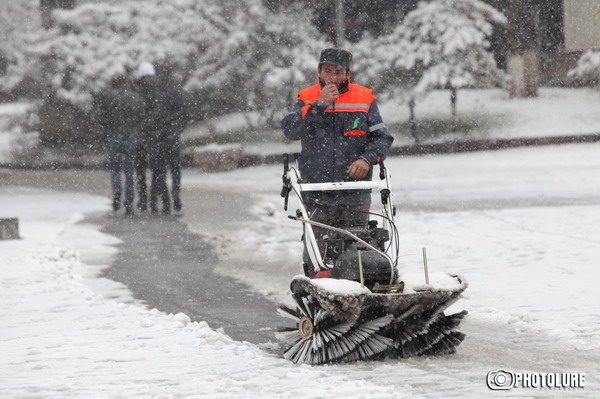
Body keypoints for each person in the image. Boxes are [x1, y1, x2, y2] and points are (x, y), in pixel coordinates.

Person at [281, 48, 394, 277]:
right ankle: (317, 294)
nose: (331, 77)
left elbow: (382, 138)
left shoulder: (364, 99)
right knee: (317, 253)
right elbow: (291, 131)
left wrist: (366, 159)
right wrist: (319, 105)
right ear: (319, 71)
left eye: (337, 71)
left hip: (354, 192)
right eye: (327, 70)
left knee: (358, 251)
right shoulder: (306, 98)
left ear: (347, 74)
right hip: (317, 190)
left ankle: (359, 291)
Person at [96, 74, 146, 216]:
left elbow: (101, 116)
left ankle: (117, 190)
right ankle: (129, 203)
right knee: (130, 172)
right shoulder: (135, 97)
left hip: (114, 136)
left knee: (115, 169)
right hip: (131, 137)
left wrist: (107, 130)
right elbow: (142, 116)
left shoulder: (108, 97)